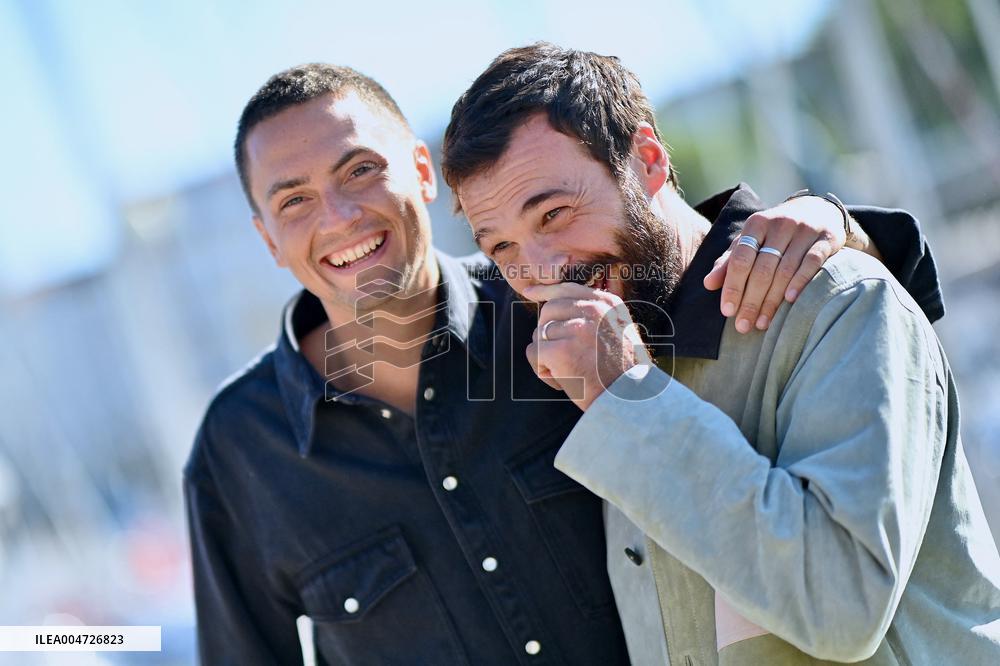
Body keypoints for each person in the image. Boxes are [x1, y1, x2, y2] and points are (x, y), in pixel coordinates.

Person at [184, 62, 947, 665]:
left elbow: (705, 274)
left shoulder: (563, 304)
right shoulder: (236, 452)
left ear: (421, 171)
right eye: (294, 201)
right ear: (266, 239)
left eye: (358, 171)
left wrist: (844, 228)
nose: (340, 216)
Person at [441, 43, 1000, 665]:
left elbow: (842, 606)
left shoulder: (838, 303)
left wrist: (626, 400)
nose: (541, 272)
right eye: (503, 249)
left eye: (554, 212)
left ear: (647, 160)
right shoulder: (615, 364)